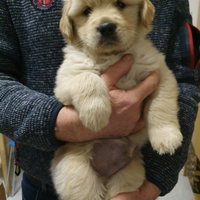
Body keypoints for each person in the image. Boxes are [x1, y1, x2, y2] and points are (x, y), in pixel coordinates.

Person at [0, 0, 199, 200]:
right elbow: (64, 89)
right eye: (86, 11)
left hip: (131, 161)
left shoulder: (146, 56)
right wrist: (73, 116)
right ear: (69, 25)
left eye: (120, 4)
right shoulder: (77, 60)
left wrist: (162, 125)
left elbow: (178, 78)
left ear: (143, 10)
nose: (105, 23)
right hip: (73, 163)